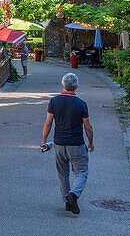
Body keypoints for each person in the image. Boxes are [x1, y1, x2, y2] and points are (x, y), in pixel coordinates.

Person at [39, 72, 94, 214]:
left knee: (63, 174)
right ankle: (73, 194)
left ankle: (67, 203)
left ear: (62, 85)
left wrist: (44, 140)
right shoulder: (81, 104)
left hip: (59, 144)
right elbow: (87, 126)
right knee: (81, 172)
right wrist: (90, 142)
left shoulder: (54, 101)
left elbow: (48, 123)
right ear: (76, 86)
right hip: (76, 144)